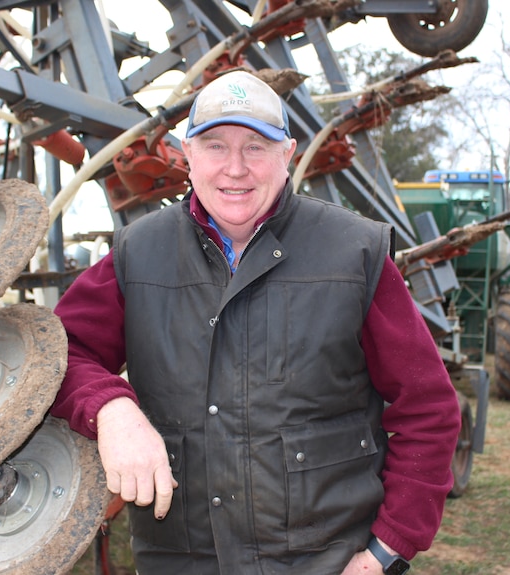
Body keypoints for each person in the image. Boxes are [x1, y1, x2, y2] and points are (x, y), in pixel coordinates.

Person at [50, 69, 460, 575]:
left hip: (326, 563)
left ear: (287, 155)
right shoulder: (139, 254)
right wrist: (111, 410)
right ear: (188, 155)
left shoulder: (354, 253)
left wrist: (385, 550)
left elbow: (429, 410)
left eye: (256, 147)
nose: (236, 169)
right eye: (216, 146)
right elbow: (56, 353)